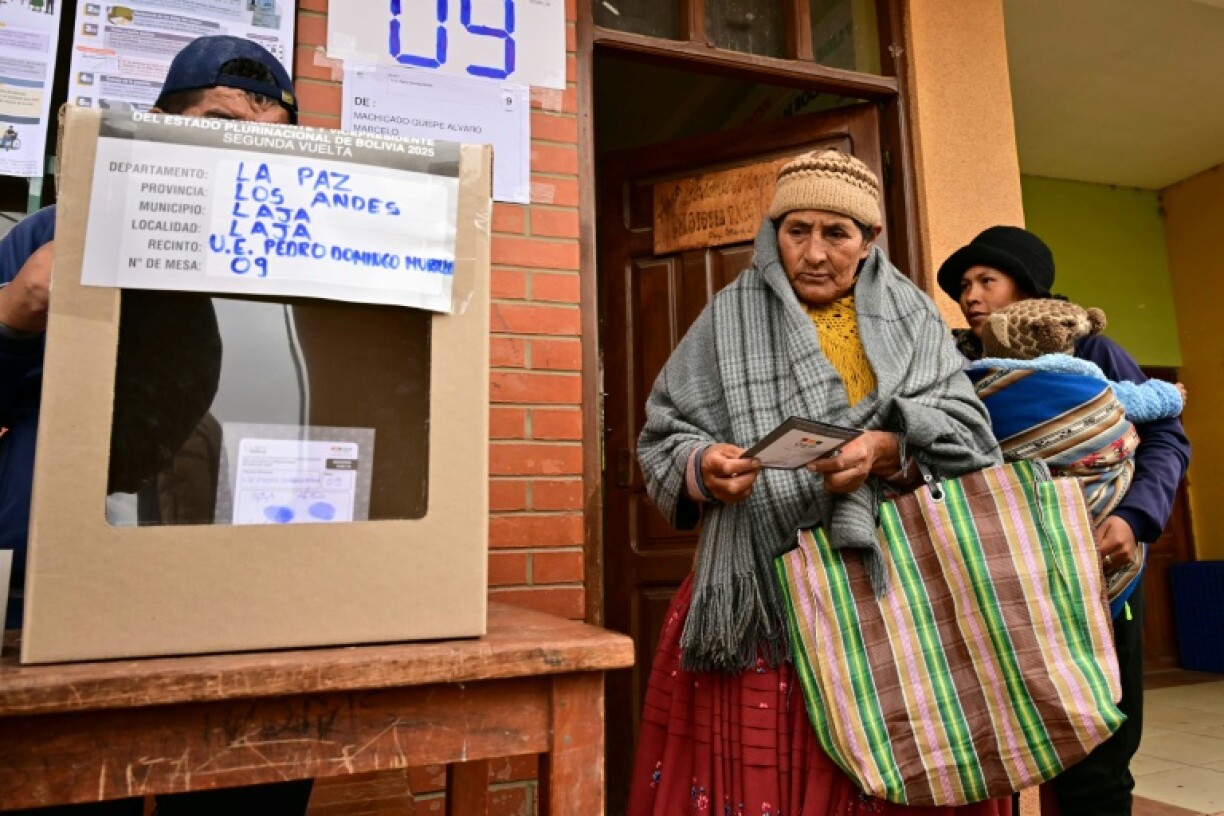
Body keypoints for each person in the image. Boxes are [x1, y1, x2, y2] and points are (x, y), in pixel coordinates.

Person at [630, 149, 1007, 816]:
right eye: (796, 228)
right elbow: (665, 429)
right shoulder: (727, 316)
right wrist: (702, 468)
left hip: (892, 587)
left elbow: (970, 433)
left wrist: (888, 448)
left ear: (869, 242)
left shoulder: (915, 317)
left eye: (836, 233)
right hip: (761, 591)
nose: (812, 251)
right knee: (760, 773)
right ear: (773, 232)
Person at [0, 35, 312, 816]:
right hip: (51, 592)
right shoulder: (51, 234)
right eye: (211, 122)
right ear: (162, 125)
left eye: (261, 134)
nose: (234, 150)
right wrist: (16, 312)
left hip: (249, 594)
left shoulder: (320, 261)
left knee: (247, 796)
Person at [939, 226, 1191, 816]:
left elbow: (1166, 441)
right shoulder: (959, 364)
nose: (970, 297)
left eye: (985, 281)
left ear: (1027, 289)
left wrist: (1134, 518)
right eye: (962, 287)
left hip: (1102, 571)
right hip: (1006, 580)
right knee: (1010, 741)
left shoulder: (1092, 355)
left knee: (1098, 753)